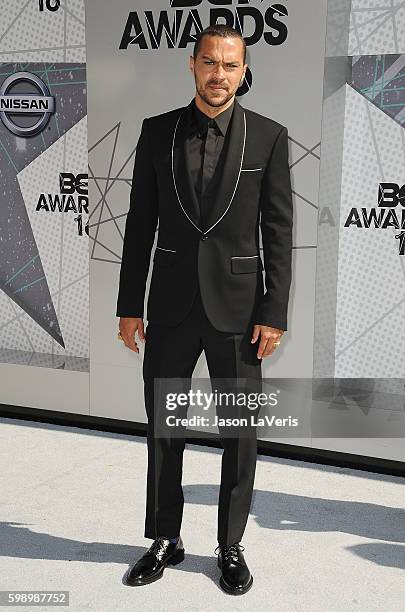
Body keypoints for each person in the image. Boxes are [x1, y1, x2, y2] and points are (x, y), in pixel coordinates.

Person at [116, 24, 293, 595]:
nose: (220, 75)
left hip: (240, 312)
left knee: (240, 432)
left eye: (231, 65)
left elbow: (277, 232)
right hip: (168, 305)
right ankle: (166, 538)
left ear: (244, 71)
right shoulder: (156, 133)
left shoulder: (268, 137)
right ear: (192, 65)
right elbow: (140, 223)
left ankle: (231, 544)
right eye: (210, 63)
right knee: (165, 428)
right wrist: (129, 305)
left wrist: (275, 310)